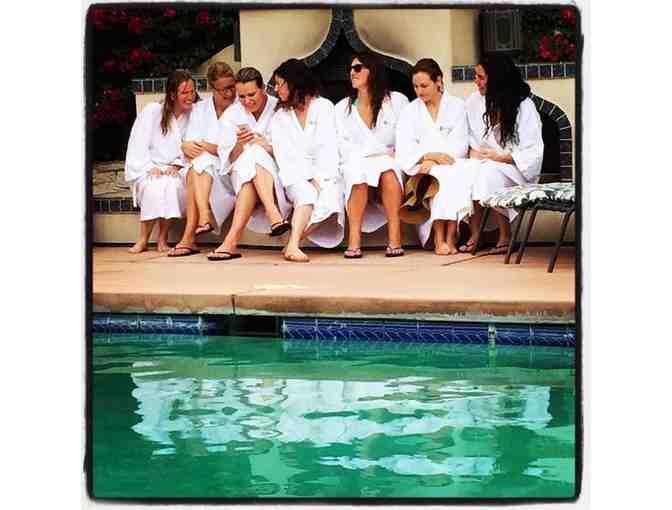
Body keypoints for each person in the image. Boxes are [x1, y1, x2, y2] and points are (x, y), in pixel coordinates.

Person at [207, 67, 292, 261]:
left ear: (263, 88)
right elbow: (229, 159)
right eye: (242, 96)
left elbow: (290, 151)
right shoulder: (232, 114)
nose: (247, 101)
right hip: (241, 174)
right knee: (250, 158)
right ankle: (274, 215)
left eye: (252, 94)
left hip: (275, 175)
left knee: (255, 153)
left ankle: (230, 242)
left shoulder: (279, 109)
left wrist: (265, 145)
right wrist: (240, 143)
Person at [464, 55, 544, 255]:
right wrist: (476, 153)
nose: (476, 81)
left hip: (516, 168)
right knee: (470, 169)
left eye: (481, 77)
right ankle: (476, 233)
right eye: (476, 76)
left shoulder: (523, 105)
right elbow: (471, 138)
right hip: (485, 160)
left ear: (496, 78)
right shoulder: (473, 101)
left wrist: (498, 157)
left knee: (490, 171)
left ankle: (505, 235)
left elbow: (532, 152)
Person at [270, 59, 345, 263]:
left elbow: (329, 146)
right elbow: (284, 155)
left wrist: (319, 179)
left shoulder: (324, 107)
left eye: (280, 84)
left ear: (294, 83)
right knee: (306, 194)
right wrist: (307, 178)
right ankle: (294, 245)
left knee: (332, 197)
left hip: (325, 172)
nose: (276, 89)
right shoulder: (280, 117)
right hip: (294, 175)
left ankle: (292, 243)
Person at [395, 59, 474, 255]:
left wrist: (435, 158)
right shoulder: (409, 111)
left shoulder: (457, 106)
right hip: (424, 169)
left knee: (451, 172)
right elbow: (404, 148)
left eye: (424, 86)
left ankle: (449, 235)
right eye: (415, 87)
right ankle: (441, 236)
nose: (419, 91)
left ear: (438, 81)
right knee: (438, 174)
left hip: (453, 163)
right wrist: (428, 156)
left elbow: (460, 145)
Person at [335, 53, 409, 259]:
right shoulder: (342, 108)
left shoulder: (396, 101)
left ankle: (395, 238)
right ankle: (354, 240)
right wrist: (368, 157)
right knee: (357, 174)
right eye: (350, 69)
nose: (352, 72)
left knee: (389, 172)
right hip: (357, 161)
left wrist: (385, 156)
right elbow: (341, 146)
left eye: (358, 68)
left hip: (389, 160)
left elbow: (405, 137)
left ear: (372, 71)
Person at [167, 63, 237, 257]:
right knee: (196, 165)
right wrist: (187, 146)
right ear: (211, 88)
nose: (230, 93)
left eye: (231, 87)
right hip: (205, 174)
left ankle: (190, 235)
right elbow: (192, 147)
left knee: (198, 165)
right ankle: (201, 221)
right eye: (223, 89)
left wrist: (206, 146)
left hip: (230, 172)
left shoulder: (241, 108)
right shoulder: (200, 109)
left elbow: (232, 151)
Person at [124, 69, 195, 253]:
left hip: (176, 168)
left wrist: (177, 165)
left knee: (171, 184)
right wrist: (149, 167)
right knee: (154, 185)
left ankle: (162, 239)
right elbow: (137, 143)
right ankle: (143, 239)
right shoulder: (152, 111)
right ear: (172, 95)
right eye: (184, 92)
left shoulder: (194, 115)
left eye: (192, 91)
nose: (190, 96)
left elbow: (193, 147)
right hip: (149, 167)